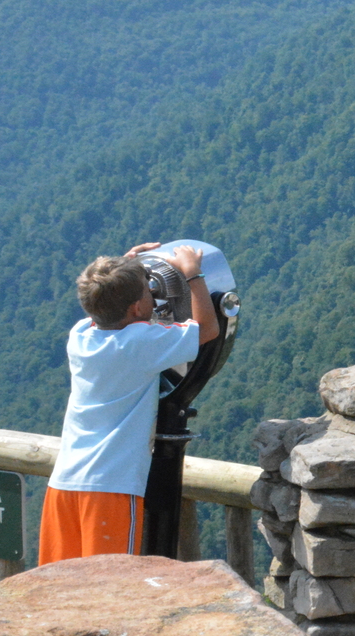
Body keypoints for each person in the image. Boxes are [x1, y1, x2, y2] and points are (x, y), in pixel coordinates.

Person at [37, 242, 219, 565]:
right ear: (137, 309)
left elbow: (104, 305)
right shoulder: (140, 345)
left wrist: (126, 266)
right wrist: (193, 275)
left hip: (63, 486)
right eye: (149, 292)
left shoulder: (79, 337)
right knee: (111, 589)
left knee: (59, 590)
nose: (153, 295)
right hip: (110, 488)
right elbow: (207, 329)